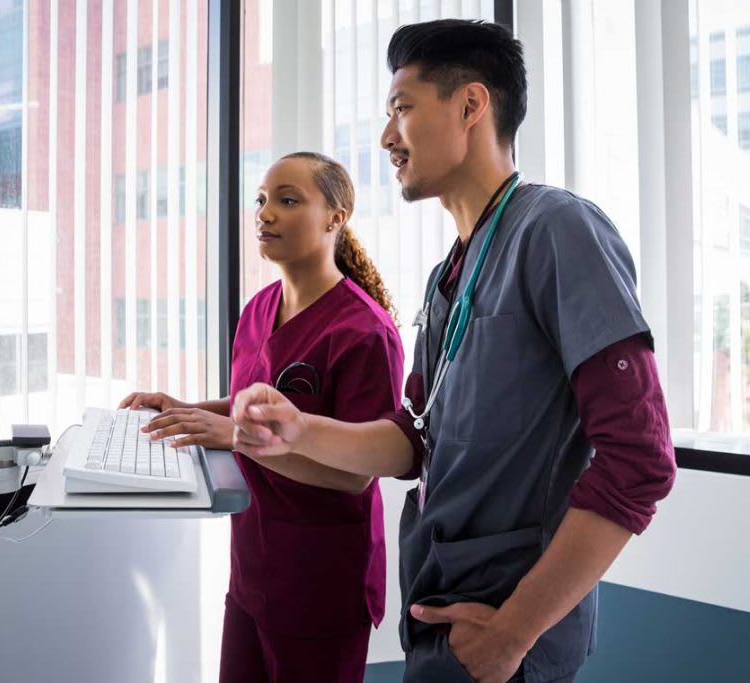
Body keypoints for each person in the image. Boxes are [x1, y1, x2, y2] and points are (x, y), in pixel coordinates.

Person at [232, 20, 676, 683]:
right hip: (442, 612)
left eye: (401, 109)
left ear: (471, 105)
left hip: (505, 634)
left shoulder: (558, 231)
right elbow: (412, 442)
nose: (385, 137)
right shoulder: (452, 273)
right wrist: (299, 429)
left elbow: (640, 458)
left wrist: (514, 629)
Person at [119, 152, 404, 683]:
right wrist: (184, 409)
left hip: (320, 582)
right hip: (253, 569)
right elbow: (250, 410)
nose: (265, 213)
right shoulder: (258, 308)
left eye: (288, 201)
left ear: (335, 218)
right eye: (263, 200)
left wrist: (235, 438)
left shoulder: (365, 331)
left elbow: (355, 474)